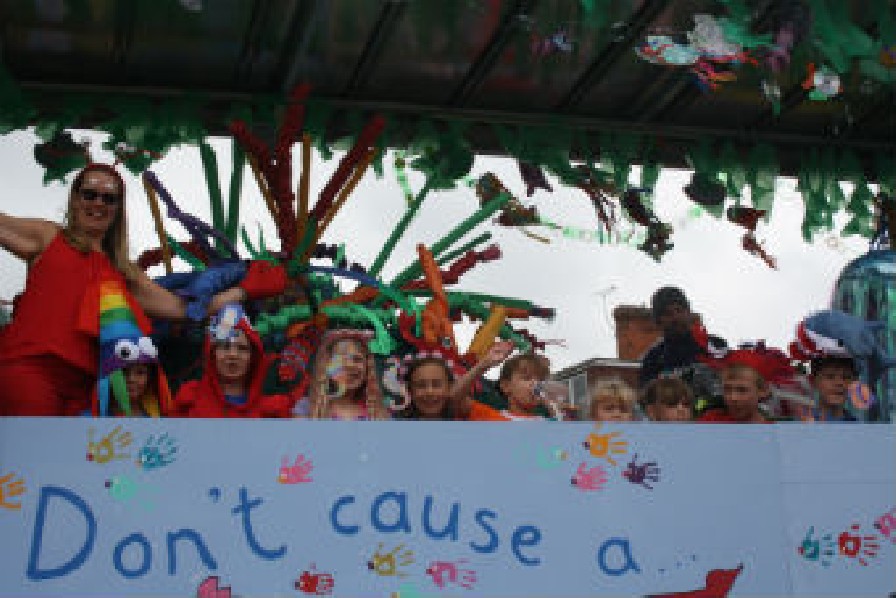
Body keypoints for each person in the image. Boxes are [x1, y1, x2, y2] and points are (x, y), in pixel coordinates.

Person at [0, 163, 246, 416]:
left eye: (109, 198)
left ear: (118, 209)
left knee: (70, 456)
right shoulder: (49, 237)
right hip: (31, 372)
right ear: (74, 199)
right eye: (89, 194)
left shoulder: (123, 272)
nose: (98, 203)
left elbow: (181, 308)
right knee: (33, 454)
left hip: (88, 389)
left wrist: (244, 290)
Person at [171, 305, 291, 418]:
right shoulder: (188, 398)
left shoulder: (273, 410)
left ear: (253, 357)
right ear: (212, 354)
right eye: (224, 347)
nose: (233, 355)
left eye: (242, 348)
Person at [639, 286, 727, 413]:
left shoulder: (714, 344)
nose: (676, 317)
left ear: (688, 312)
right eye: (668, 314)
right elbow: (646, 402)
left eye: (680, 310)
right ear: (658, 321)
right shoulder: (653, 358)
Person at [397, 341, 516, 421]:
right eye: (421, 386)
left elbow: (453, 397)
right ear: (409, 390)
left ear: (450, 387)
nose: (430, 392)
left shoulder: (465, 416)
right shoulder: (395, 427)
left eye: (437, 385)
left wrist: (482, 365)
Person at [305, 329, 390, 420]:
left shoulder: (380, 413)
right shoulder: (307, 410)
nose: (350, 365)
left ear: (368, 368)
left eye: (357, 359)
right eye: (341, 358)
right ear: (326, 365)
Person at [698, 344, 795, 424]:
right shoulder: (711, 421)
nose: (733, 398)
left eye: (742, 390)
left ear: (763, 390)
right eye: (727, 389)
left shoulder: (775, 434)